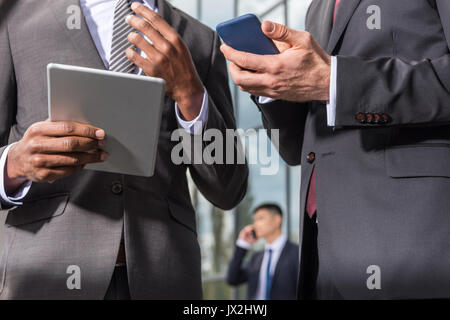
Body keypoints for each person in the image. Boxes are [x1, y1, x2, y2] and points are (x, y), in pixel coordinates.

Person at [0, 0, 248, 299]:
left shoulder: (199, 39)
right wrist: (13, 165)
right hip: (45, 274)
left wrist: (191, 94)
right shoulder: (13, 21)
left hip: (164, 277)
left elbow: (228, 188)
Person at [221, 0, 450, 299]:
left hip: (411, 235)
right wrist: (272, 86)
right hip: (322, 252)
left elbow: (333, 83)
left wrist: (334, 80)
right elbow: (295, 150)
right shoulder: (318, 8)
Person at [226, 203, 299, 300]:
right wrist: (242, 245)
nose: (255, 224)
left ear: (277, 220)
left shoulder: (297, 253)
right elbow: (232, 279)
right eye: (254, 220)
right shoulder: (256, 258)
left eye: (260, 218)